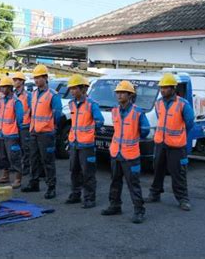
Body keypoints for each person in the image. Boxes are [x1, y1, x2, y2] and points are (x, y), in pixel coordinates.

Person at [100, 80, 150, 223]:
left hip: (131, 155)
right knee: (115, 181)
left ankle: (139, 211)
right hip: (116, 153)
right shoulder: (115, 111)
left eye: (122, 92)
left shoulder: (138, 112)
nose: (119, 95)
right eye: (118, 92)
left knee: (133, 184)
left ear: (130, 95)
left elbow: (145, 131)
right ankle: (115, 206)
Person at [146, 73, 195, 211]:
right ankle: (155, 194)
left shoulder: (182, 104)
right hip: (160, 143)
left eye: (166, 87)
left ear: (173, 88)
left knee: (178, 173)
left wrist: (179, 135)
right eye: (161, 87)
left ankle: (183, 199)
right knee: (158, 170)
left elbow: (190, 123)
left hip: (176, 146)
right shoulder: (158, 103)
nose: (162, 90)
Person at [21, 64, 62, 199]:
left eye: (39, 78)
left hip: (46, 133)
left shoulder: (53, 95)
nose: (36, 80)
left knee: (48, 161)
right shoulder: (33, 94)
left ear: (45, 78)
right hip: (34, 131)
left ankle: (51, 187)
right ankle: (34, 183)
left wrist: (52, 128)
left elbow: (57, 114)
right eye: (35, 78)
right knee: (34, 158)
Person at [64, 74, 104, 209]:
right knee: (74, 171)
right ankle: (75, 194)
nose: (72, 91)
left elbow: (100, 121)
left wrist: (89, 132)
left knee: (88, 173)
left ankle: (89, 198)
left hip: (86, 144)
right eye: (71, 89)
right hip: (74, 143)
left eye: (75, 88)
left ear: (83, 89)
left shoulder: (92, 105)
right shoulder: (71, 104)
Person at [0, 76, 24, 189]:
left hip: (12, 134)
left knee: (14, 157)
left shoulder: (16, 101)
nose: (1, 89)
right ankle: (5, 176)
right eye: (1, 87)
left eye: (4, 87)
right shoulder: (2, 99)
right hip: (2, 133)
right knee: (2, 156)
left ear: (10, 88)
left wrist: (16, 132)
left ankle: (17, 179)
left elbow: (20, 119)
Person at [13, 71, 31, 176]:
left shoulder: (27, 95)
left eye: (16, 80)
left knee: (25, 148)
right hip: (15, 125)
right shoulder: (13, 95)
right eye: (14, 80)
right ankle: (17, 167)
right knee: (16, 147)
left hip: (25, 125)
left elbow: (31, 109)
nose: (14, 82)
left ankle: (26, 167)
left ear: (22, 82)